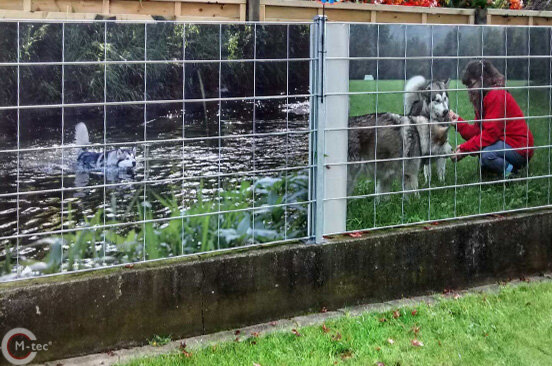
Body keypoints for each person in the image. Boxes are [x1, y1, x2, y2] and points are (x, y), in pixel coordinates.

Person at [448, 60, 534, 177]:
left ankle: (513, 174)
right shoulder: (484, 96)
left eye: (471, 85)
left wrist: (465, 149)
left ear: (483, 79)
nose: (469, 90)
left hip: (519, 147)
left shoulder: (495, 95)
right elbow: (478, 132)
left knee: (487, 155)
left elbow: (490, 135)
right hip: (505, 144)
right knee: (483, 153)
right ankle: (500, 171)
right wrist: (458, 122)